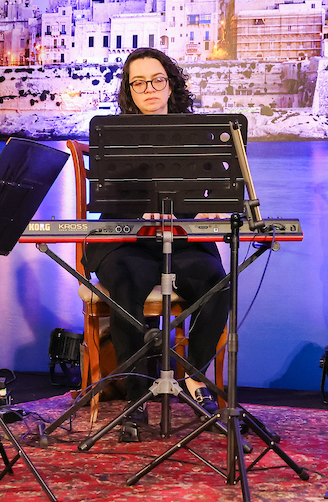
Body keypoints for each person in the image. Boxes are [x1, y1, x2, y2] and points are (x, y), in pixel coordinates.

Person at [83, 48, 230, 442]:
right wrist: (135, 214)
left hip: (181, 240)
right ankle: (137, 397)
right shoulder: (112, 134)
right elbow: (108, 196)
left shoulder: (199, 134)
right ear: (129, 91)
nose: (149, 89)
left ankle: (193, 376)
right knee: (127, 282)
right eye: (139, 82)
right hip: (126, 238)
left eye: (157, 80)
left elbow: (215, 189)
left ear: (171, 84)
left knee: (218, 283)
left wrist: (210, 210)